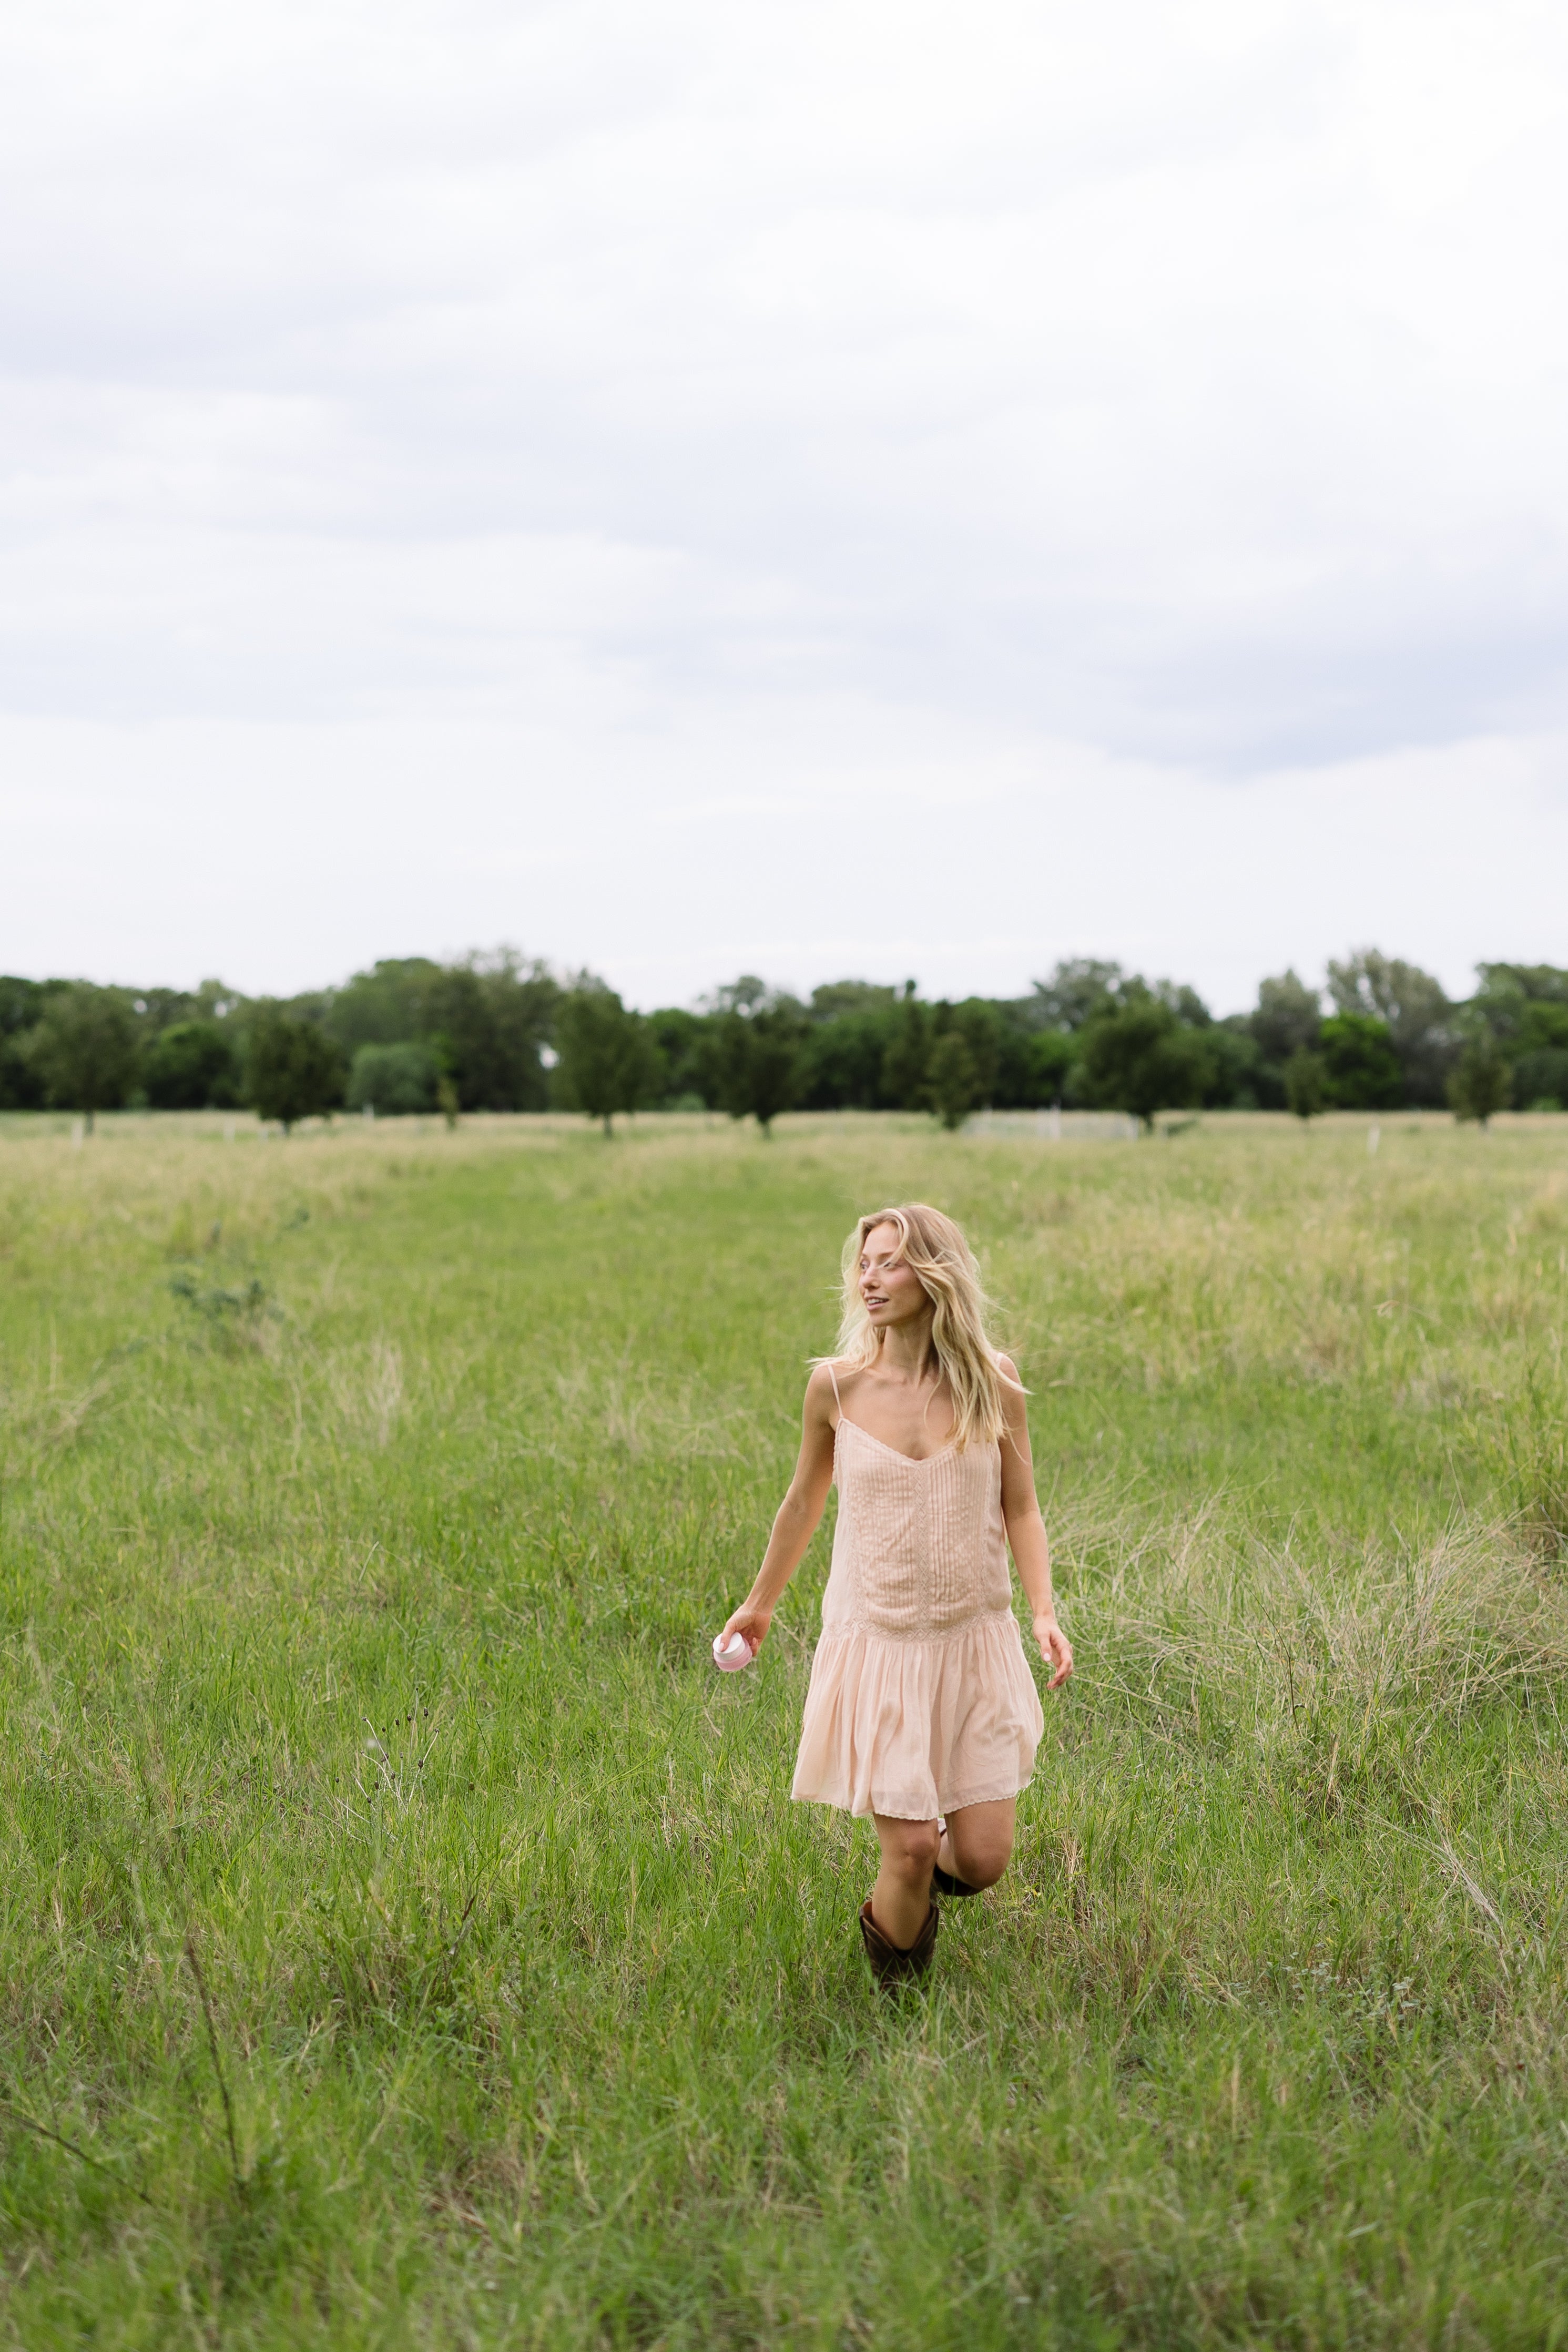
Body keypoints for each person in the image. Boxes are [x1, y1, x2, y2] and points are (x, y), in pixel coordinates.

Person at [718, 1202, 1074, 1987]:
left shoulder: (993, 1380)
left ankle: (913, 1888)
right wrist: (761, 1602)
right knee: (911, 1847)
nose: (869, 1277)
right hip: (876, 1640)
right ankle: (899, 1997)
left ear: (935, 1273)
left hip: (972, 1638)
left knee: (979, 1859)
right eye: (864, 1262)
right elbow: (802, 1502)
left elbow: (1021, 1503)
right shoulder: (834, 1389)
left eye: (890, 1262)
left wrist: (1043, 1611)